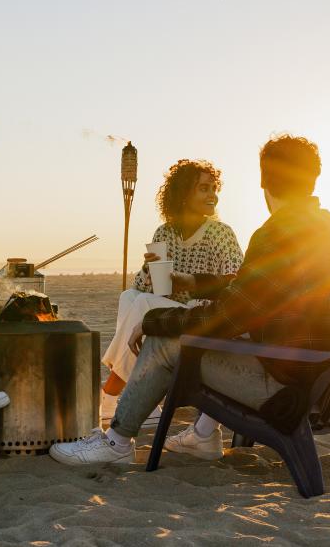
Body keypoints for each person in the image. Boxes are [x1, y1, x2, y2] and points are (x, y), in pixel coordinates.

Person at [50, 135, 330, 466]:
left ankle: (116, 442)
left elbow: (230, 316)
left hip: (287, 387)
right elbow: (257, 296)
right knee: (161, 319)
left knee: (163, 341)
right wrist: (195, 285)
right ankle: (200, 434)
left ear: (264, 180)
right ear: (313, 176)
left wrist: (155, 322)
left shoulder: (277, 233)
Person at [100, 160, 243, 445]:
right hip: (170, 309)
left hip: (202, 314)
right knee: (130, 297)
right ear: (183, 194)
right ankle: (132, 397)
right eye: (204, 188)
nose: (212, 195)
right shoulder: (164, 233)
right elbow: (153, 290)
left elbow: (235, 282)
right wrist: (148, 269)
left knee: (141, 304)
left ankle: (112, 391)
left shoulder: (221, 233)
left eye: (214, 188)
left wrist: (191, 282)